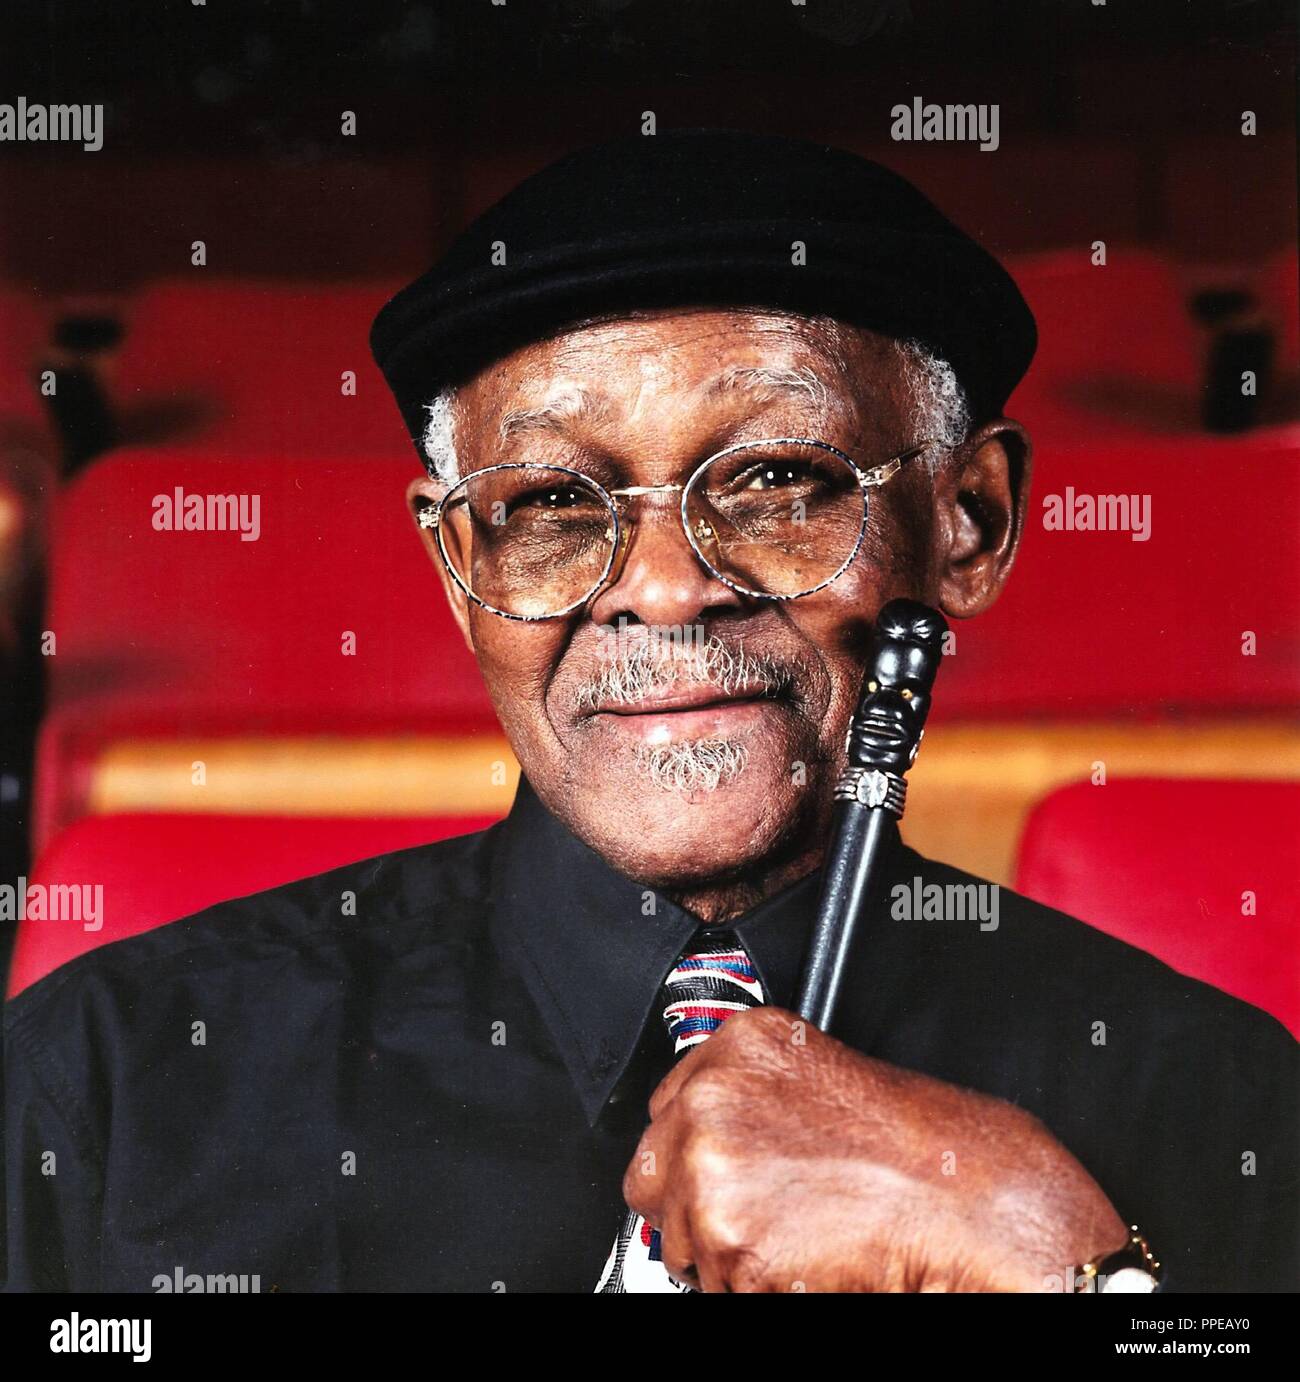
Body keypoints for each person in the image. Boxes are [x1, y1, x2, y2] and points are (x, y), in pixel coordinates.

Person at [3, 130, 1295, 1293]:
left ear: (970, 521)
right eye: (555, 505)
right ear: (459, 567)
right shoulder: (99, 1087)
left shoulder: (1230, 1102)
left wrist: (1064, 1262)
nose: (668, 592)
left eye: (782, 479)